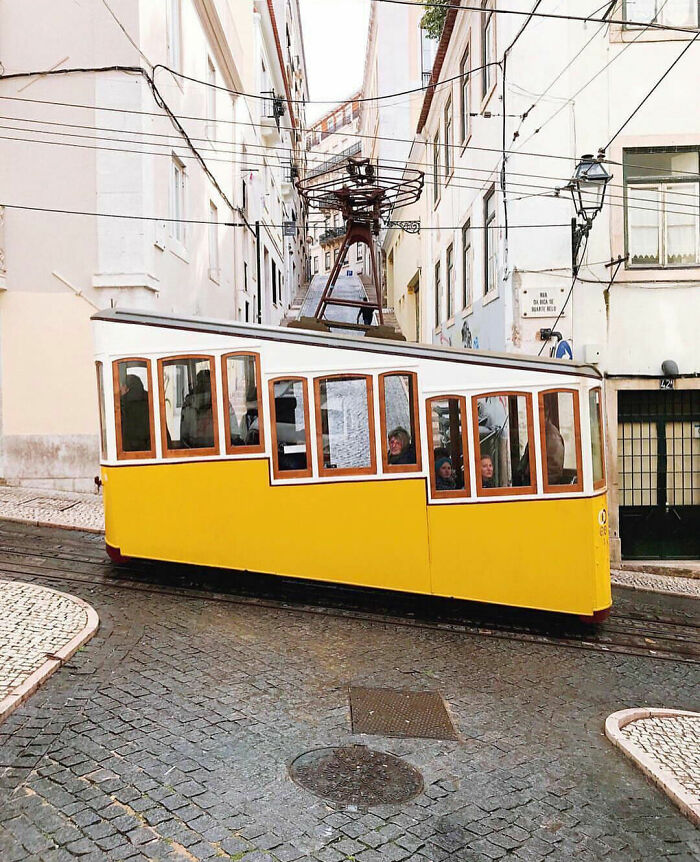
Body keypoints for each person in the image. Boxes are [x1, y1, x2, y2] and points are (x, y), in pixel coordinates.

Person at [181, 369, 214, 448]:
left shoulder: (220, 403)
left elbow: (233, 434)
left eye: (205, 383)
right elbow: (184, 436)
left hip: (215, 451)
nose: (201, 386)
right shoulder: (189, 405)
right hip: (193, 450)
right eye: (199, 382)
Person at [120, 374, 150, 452]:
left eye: (121, 387)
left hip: (128, 451)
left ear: (126, 388)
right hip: (149, 448)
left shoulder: (121, 403)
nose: (120, 390)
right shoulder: (151, 398)